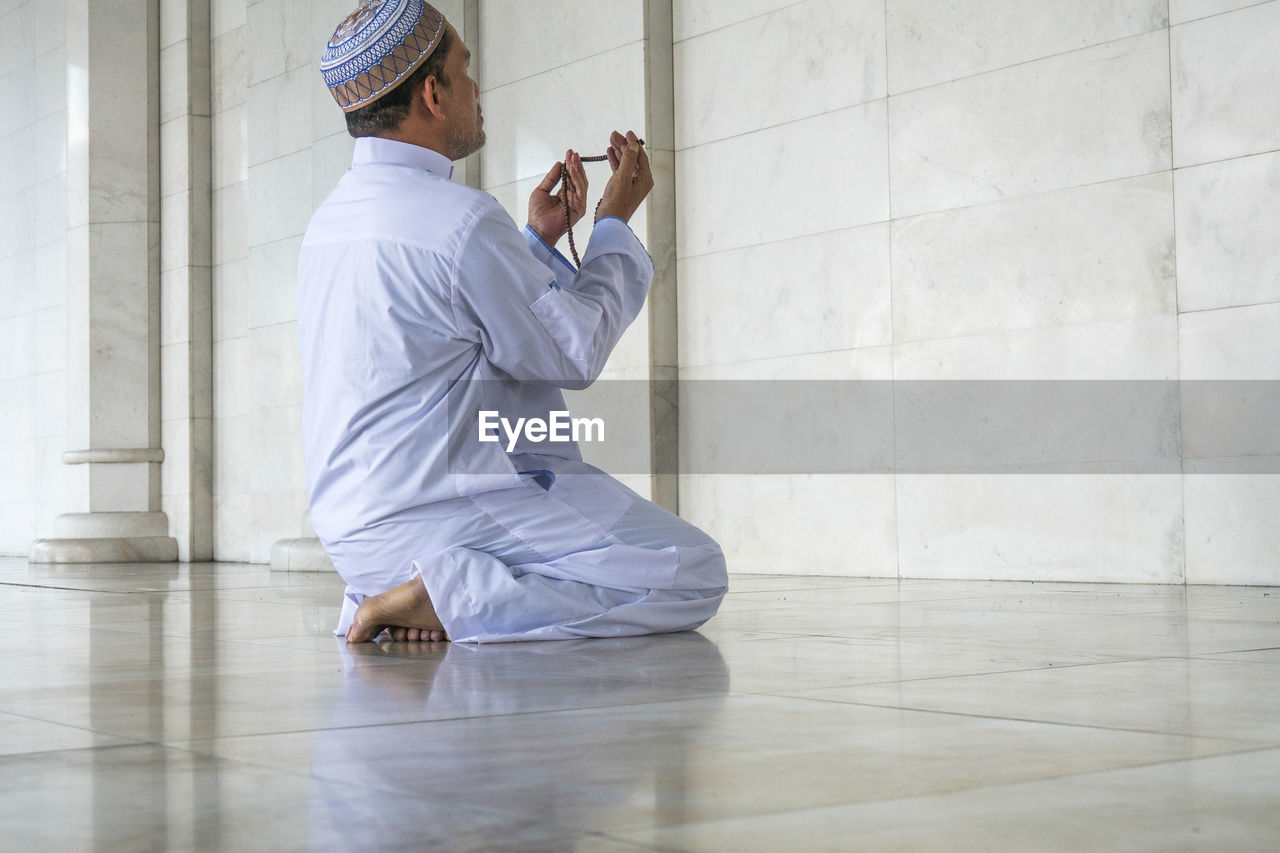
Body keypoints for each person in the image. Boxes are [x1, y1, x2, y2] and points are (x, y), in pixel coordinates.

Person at [298, 0, 728, 643]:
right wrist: (613, 224)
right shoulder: (457, 219)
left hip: (357, 538)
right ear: (433, 94)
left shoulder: (327, 225)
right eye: (464, 70)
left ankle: (422, 591)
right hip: (442, 517)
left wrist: (536, 244)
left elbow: (460, 329)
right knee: (692, 570)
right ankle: (452, 595)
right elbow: (570, 351)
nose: (477, 88)